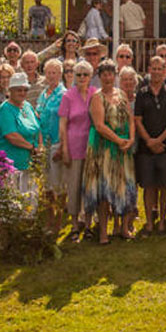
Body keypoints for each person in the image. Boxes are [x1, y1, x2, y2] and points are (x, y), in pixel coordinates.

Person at [83, 59, 137, 244]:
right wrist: (118, 140)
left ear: (115, 75)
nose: (107, 77)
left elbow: (130, 119)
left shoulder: (122, 94)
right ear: (99, 77)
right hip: (105, 148)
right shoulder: (97, 98)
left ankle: (123, 228)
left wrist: (130, 139)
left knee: (124, 187)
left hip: (123, 149)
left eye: (110, 74)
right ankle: (104, 232)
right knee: (105, 190)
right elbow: (99, 125)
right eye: (104, 74)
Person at [134, 56, 166, 234]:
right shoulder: (142, 93)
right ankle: (149, 222)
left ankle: (161, 221)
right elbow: (137, 120)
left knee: (163, 186)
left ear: (165, 70)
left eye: (160, 68)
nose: (156, 72)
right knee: (148, 186)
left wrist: (159, 140)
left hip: (165, 147)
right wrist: (149, 141)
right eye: (153, 68)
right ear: (149, 69)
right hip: (146, 149)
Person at [59, 60, 96, 241]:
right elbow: (63, 124)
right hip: (73, 147)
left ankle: (88, 224)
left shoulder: (94, 94)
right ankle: (74, 225)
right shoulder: (68, 96)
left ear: (90, 77)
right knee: (73, 187)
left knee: (89, 187)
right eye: (78, 74)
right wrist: (64, 148)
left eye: (85, 74)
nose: (82, 78)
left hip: (91, 147)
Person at [0, 73, 43, 196]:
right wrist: (32, 148)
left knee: (30, 202)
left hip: (29, 163)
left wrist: (40, 147)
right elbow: (11, 136)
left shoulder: (27, 106)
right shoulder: (5, 109)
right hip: (12, 165)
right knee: (12, 204)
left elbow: (38, 127)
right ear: (10, 90)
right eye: (18, 90)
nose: (22, 93)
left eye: (25, 90)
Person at [37, 59, 67, 225]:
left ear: (60, 74)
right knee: (47, 183)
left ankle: (59, 218)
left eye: (54, 72)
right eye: (48, 72)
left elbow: (67, 122)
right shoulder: (43, 94)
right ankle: (49, 216)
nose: (51, 76)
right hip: (44, 145)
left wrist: (62, 147)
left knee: (59, 184)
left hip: (57, 143)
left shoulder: (64, 95)